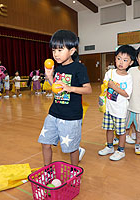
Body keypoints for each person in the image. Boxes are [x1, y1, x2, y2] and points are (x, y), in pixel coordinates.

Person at [38, 30, 92, 166]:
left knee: (72, 149)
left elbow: (88, 89)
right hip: (54, 112)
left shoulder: (79, 68)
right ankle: (47, 170)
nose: (56, 54)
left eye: (60, 50)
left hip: (71, 116)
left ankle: (74, 172)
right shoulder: (57, 69)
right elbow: (57, 89)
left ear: (72, 50)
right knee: (45, 143)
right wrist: (50, 77)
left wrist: (70, 88)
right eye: (54, 50)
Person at [98, 45, 134, 161]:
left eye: (125, 60)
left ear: (131, 62)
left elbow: (126, 93)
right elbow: (105, 86)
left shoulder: (128, 78)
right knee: (108, 128)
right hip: (109, 107)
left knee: (121, 132)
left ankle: (121, 150)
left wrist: (113, 86)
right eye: (118, 58)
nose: (121, 62)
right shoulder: (110, 72)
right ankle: (109, 147)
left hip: (120, 109)